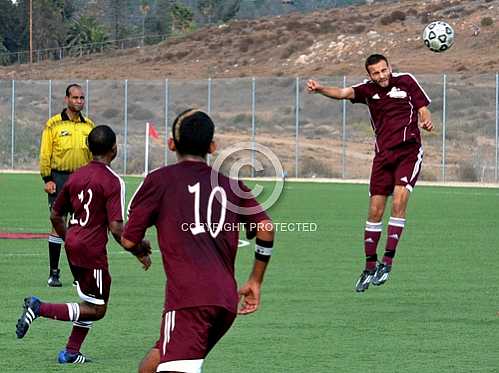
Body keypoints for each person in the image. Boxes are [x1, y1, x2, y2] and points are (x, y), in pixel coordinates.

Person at [121, 109, 275, 373]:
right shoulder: (231, 183)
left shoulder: (160, 180)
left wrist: (139, 248)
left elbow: (127, 239)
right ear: (212, 147)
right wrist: (255, 281)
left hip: (188, 301)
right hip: (225, 301)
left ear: (171, 144)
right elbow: (265, 228)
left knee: (175, 365)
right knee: (158, 358)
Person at [16, 125, 152, 364]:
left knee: (91, 300)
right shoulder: (113, 181)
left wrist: (69, 238)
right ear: (114, 149)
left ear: (88, 148)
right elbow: (117, 228)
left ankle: (71, 352)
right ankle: (39, 307)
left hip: (72, 244)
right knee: (98, 309)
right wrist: (138, 249)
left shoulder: (76, 176)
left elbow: (55, 215)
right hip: (91, 251)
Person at [307, 54, 433, 292]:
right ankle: (369, 267)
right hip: (383, 157)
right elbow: (343, 93)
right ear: (370, 76)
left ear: (390, 68)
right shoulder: (367, 91)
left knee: (399, 202)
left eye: (384, 70)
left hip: (408, 152)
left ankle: (387, 262)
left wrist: (426, 120)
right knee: (374, 212)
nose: (381, 75)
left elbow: (423, 108)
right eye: (376, 73)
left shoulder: (406, 81)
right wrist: (321, 88)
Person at [39, 83, 95, 287]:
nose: (79, 101)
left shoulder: (89, 125)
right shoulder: (53, 124)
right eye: (75, 98)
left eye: (81, 98)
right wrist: (48, 179)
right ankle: (54, 273)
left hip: (82, 180)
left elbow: (93, 155)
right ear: (66, 99)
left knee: (79, 228)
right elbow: (45, 153)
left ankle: (78, 275)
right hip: (59, 179)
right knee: (58, 225)